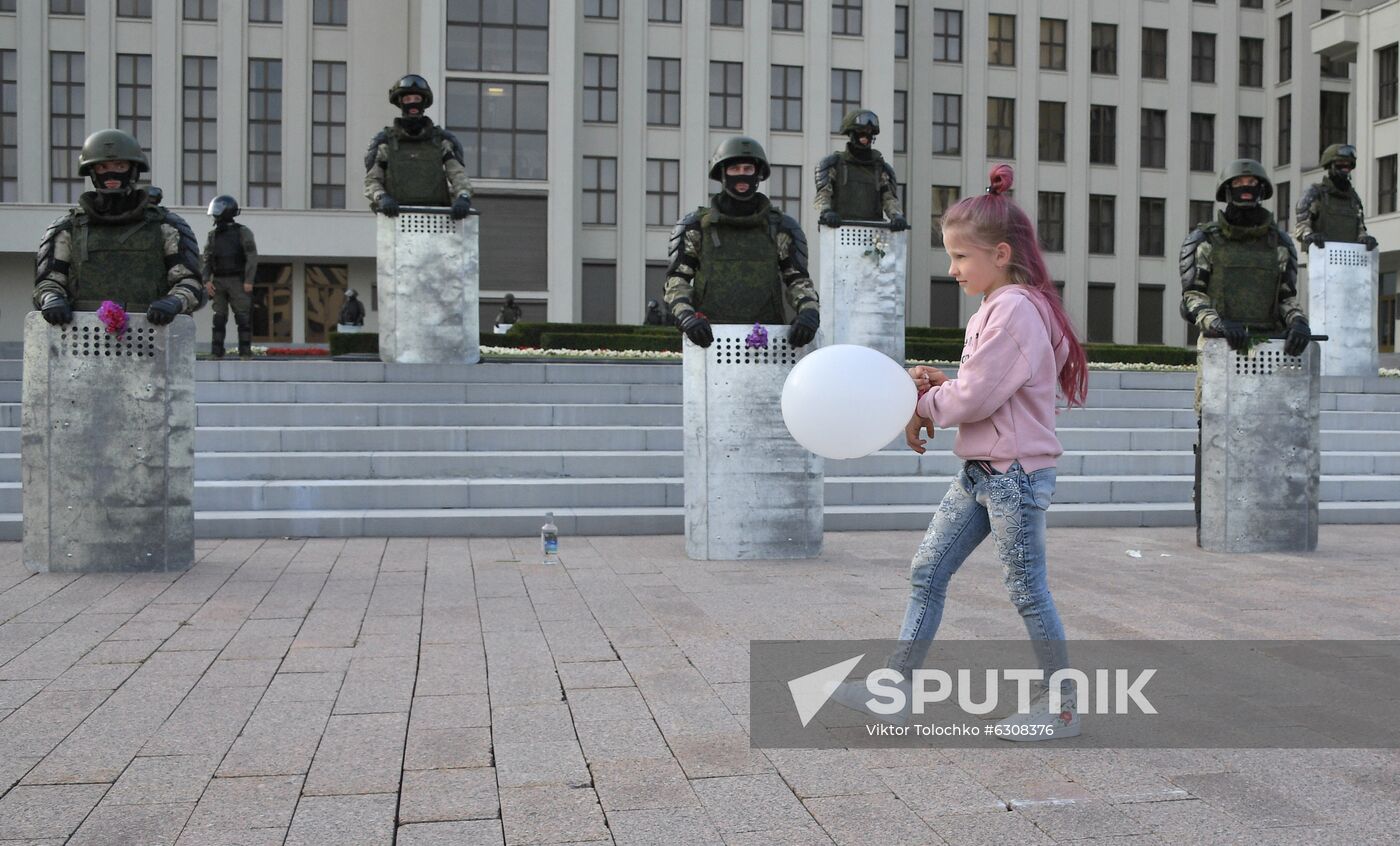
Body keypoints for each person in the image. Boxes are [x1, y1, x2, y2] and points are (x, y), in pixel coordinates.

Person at [831, 165, 1089, 740]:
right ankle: (893, 691)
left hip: (1013, 476)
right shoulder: (1001, 306)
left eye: (959, 257)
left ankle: (1062, 706)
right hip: (983, 472)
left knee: (1026, 589)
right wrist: (933, 388)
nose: (951, 270)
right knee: (928, 571)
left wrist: (917, 402)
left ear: (1000, 253)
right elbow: (986, 390)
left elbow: (974, 397)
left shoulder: (1014, 308)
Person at [34, 129, 204, 328]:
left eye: (120, 165)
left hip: (150, 337)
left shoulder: (166, 226)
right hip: (84, 339)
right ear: (92, 172)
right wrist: (51, 299)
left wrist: (174, 302)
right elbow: (48, 282)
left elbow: (190, 282)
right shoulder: (68, 229)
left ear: (133, 169)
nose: (111, 173)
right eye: (103, 167)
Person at [664, 136, 820, 348]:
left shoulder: (781, 227)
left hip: (767, 338)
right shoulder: (696, 227)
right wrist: (686, 316)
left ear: (758, 174)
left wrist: (809, 312)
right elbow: (677, 280)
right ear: (722, 173)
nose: (742, 175)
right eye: (735, 169)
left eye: (748, 169)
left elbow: (797, 280)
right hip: (708, 339)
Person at [1181, 159, 1310, 361]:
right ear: (1227, 190)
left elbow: (1285, 297)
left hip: (1269, 346)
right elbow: (1193, 297)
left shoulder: (1279, 243)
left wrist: (1299, 322)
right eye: (1238, 183)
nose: (1246, 188)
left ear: (1261, 189)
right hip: (1220, 346)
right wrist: (1219, 324)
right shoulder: (1206, 240)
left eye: (1251, 182)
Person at [364, 74, 475, 219]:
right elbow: (372, 180)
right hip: (397, 217)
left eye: (417, 99)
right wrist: (382, 197)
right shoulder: (386, 142)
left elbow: (457, 174)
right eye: (408, 99)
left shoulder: (440, 140)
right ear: (400, 102)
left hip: (437, 217)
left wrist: (463, 197)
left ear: (424, 102)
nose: (413, 104)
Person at [814, 109, 908, 231]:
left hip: (872, 231)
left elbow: (889, 197)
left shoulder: (880, 168)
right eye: (860, 131)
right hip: (840, 230)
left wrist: (896, 216)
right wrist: (826, 211)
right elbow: (824, 193)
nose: (865, 136)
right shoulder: (834, 164)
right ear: (852, 133)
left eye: (869, 132)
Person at [200, 195, 259, 359]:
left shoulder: (242, 232)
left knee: (243, 318)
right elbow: (207, 259)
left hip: (238, 280)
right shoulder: (213, 235)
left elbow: (251, 257)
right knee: (218, 318)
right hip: (218, 280)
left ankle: (245, 352)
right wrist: (206, 281)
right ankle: (216, 352)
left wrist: (248, 280)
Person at [1294, 143, 1379, 251]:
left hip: (1350, 260)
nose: (1345, 168)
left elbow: (1360, 229)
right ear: (1330, 166)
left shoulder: (1353, 199)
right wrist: (1309, 235)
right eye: (1340, 164)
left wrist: (1365, 239)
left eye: (1348, 165)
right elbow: (1301, 226)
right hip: (1321, 259)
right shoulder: (1315, 194)